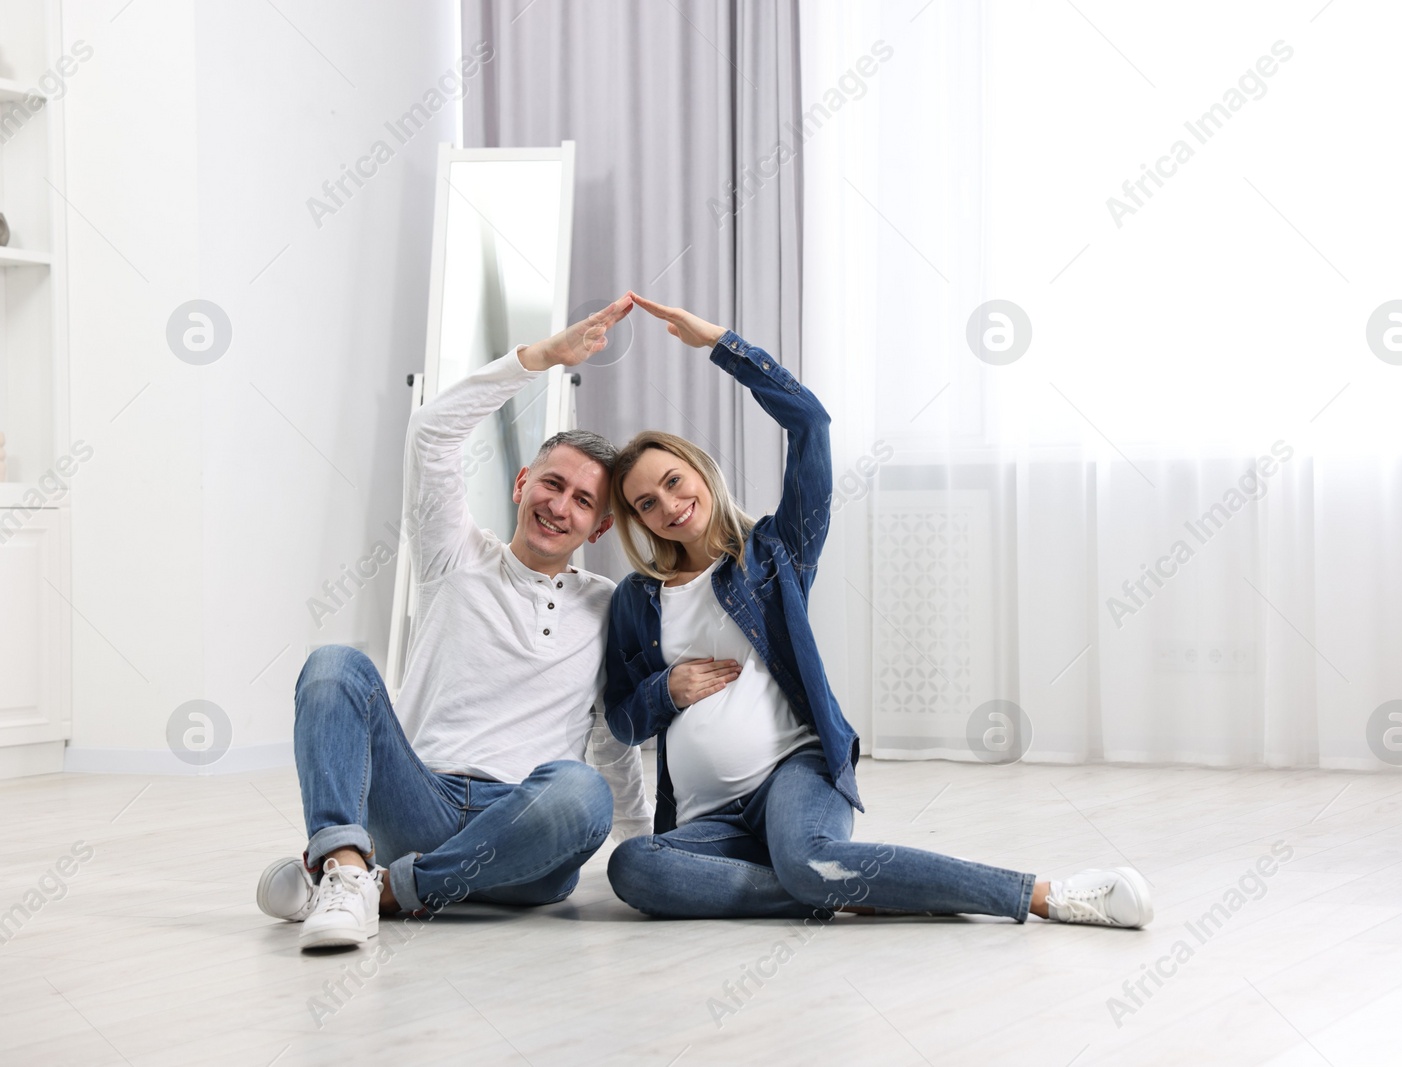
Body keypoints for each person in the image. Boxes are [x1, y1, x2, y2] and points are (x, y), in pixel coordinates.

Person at [601, 292, 1156, 928]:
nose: (668, 505)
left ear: (699, 471)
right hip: (706, 820)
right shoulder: (637, 601)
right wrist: (666, 690)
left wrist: (725, 345)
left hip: (794, 772)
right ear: (637, 522)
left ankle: (1042, 894)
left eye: (673, 481)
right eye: (646, 503)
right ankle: (841, 884)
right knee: (634, 867)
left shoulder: (776, 552)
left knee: (807, 860)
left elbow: (810, 425)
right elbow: (622, 720)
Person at [257, 295, 652, 950]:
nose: (560, 506)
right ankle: (352, 865)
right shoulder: (456, 555)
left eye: (583, 501)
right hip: (421, 802)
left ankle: (368, 885)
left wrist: (642, 847)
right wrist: (542, 358)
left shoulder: (611, 606)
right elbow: (432, 432)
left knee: (582, 789)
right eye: (551, 484)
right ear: (523, 482)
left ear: (601, 525)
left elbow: (612, 742)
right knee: (335, 665)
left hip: (526, 827)